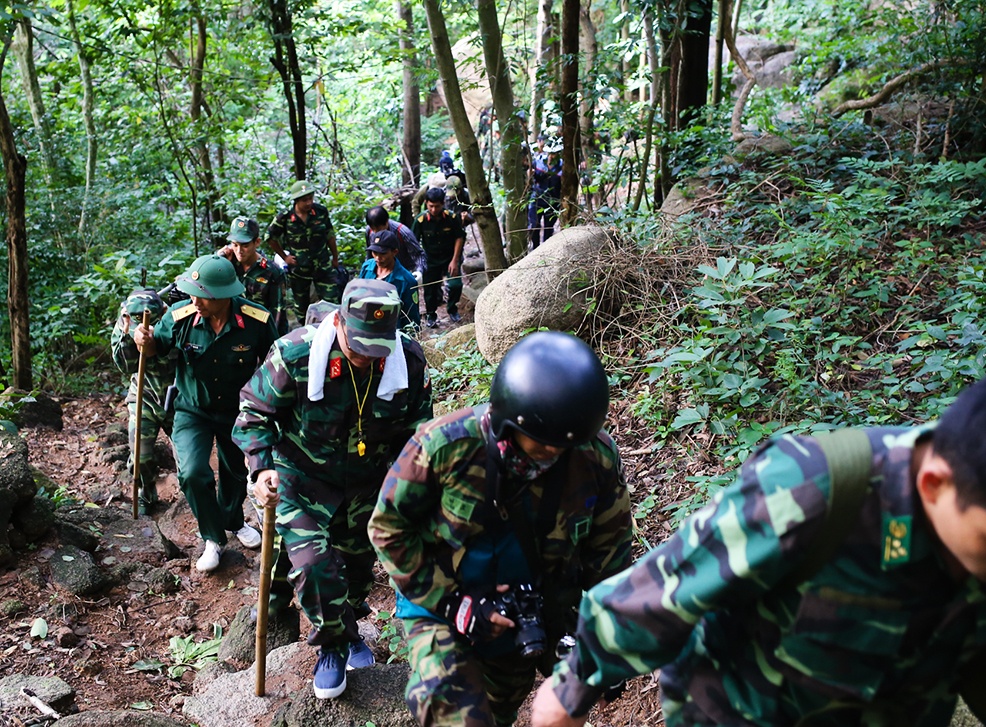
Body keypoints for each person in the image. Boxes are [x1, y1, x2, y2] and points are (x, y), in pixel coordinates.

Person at [532, 373, 986, 727]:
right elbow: (656, 596)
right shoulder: (811, 493)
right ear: (936, 485)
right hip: (746, 710)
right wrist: (572, 691)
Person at [369, 331, 633, 727]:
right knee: (455, 713)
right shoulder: (446, 446)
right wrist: (453, 605)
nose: (552, 453)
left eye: (563, 445)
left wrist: (607, 644)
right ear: (509, 418)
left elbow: (610, 559)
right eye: (541, 443)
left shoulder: (592, 458)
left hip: (533, 609)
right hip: (441, 602)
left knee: (501, 708)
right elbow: (388, 528)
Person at [235, 278, 432, 700]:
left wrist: (416, 490)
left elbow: (418, 433)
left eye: (376, 348)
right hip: (300, 478)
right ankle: (331, 646)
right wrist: (260, 469)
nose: (365, 357)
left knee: (357, 571)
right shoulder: (296, 353)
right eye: (358, 345)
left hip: (367, 484)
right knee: (315, 564)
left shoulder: (408, 362)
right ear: (338, 322)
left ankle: (349, 626)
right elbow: (253, 411)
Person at [132, 255, 274, 573]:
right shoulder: (181, 316)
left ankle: (234, 521)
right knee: (193, 473)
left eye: (202, 295)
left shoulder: (256, 320)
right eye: (192, 292)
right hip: (192, 408)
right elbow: (157, 346)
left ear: (223, 295)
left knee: (237, 472)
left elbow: (274, 361)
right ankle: (213, 537)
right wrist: (145, 340)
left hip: (239, 410)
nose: (195, 300)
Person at [110, 289, 175, 515]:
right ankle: (147, 493)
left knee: (188, 460)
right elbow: (124, 366)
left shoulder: (173, 320)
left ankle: (192, 501)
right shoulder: (124, 323)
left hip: (176, 398)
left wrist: (155, 338)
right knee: (140, 456)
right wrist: (128, 335)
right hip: (144, 397)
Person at [266, 180, 341, 322]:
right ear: (296, 201)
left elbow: (330, 235)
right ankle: (305, 333)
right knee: (301, 306)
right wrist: (285, 257)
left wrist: (335, 258)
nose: (308, 202)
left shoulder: (320, 212)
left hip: (323, 265)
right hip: (299, 269)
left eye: (310, 198)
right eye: (304, 200)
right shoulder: (286, 217)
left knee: (332, 301)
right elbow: (269, 237)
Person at [219, 216, 285, 333]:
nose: (239, 251)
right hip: (230, 329)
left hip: (259, 331)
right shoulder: (226, 264)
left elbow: (278, 312)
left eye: (245, 245)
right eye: (235, 245)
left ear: (257, 242)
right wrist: (220, 261)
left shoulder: (271, 272)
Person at [412, 186, 465, 327]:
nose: (434, 210)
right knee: (430, 290)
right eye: (431, 206)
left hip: (449, 258)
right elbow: (414, 243)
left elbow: (459, 237)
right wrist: (418, 264)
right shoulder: (420, 221)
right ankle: (431, 315)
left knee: (455, 285)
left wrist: (455, 260)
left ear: (443, 203)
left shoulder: (451, 218)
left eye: (437, 206)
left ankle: (452, 309)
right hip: (430, 259)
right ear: (426, 204)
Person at [358, 229, 420, 332]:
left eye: (383, 254)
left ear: (394, 252)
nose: (378, 258)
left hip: (391, 334)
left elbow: (412, 321)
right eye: (374, 253)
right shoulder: (367, 267)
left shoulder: (406, 281)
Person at [365, 205, 425, 282]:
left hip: (403, 274)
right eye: (373, 229)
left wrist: (419, 271)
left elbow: (418, 254)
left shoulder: (403, 233)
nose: (376, 232)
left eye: (379, 229)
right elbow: (370, 253)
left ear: (386, 222)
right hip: (381, 274)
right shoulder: (369, 231)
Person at [529, 145, 562, 249]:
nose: (551, 156)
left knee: (548, 227)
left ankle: (545, 250)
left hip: (553, 201)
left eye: (554, 154)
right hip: (537, 199)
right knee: (534, 225)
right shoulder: (538, 162)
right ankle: (535, 248)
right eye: (550, 153)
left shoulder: (563, 166)